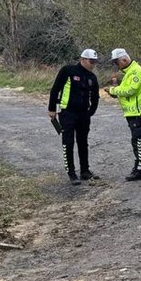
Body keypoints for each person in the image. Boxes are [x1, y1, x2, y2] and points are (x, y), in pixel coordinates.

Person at [48, 48, 101, 185]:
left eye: (95, 62)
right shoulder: (68, 71)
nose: (93, 64)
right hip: (67, 113)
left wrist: (91, 111)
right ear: (82, 59)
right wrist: (52, 108)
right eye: (91, 61)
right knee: (68, 142)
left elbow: (95, 96)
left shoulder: (92, 77)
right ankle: (71, 173)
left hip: (83, 114)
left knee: (83, 142)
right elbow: (55, 89)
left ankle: (85, 171)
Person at [104, 47, 141, 181]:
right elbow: (125, 90)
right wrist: (114, 91)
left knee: (138, 140)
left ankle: (140, 169)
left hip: (139, 112)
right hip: (134, 112)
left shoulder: (135, 71)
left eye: (117, 62)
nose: (117, 65)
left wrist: (113, 90)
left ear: (124, 59)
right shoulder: (129, 72)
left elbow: (130, 90)